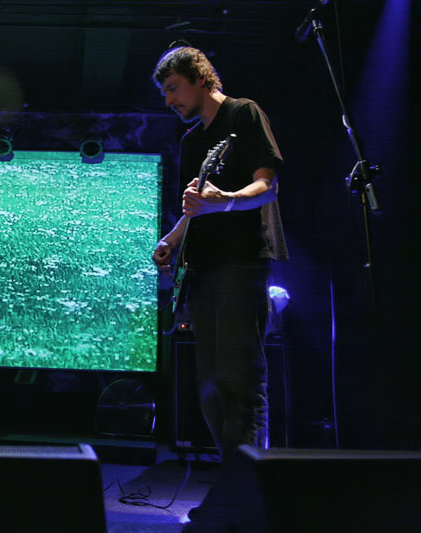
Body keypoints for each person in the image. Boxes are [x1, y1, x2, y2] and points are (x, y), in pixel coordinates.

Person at [151, 47, 288, 460]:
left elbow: (268, 185)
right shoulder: (194, 141)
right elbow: (195, 209)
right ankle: (235, 480)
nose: (169, 100)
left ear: (200, 77)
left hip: (241, 261)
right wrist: (171, 240)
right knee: (209, 387)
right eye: (164, 93)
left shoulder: (244, 113)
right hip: (204, 269)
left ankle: (247, 491)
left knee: (239, 381)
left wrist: (226, 199)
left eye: (173, 88)